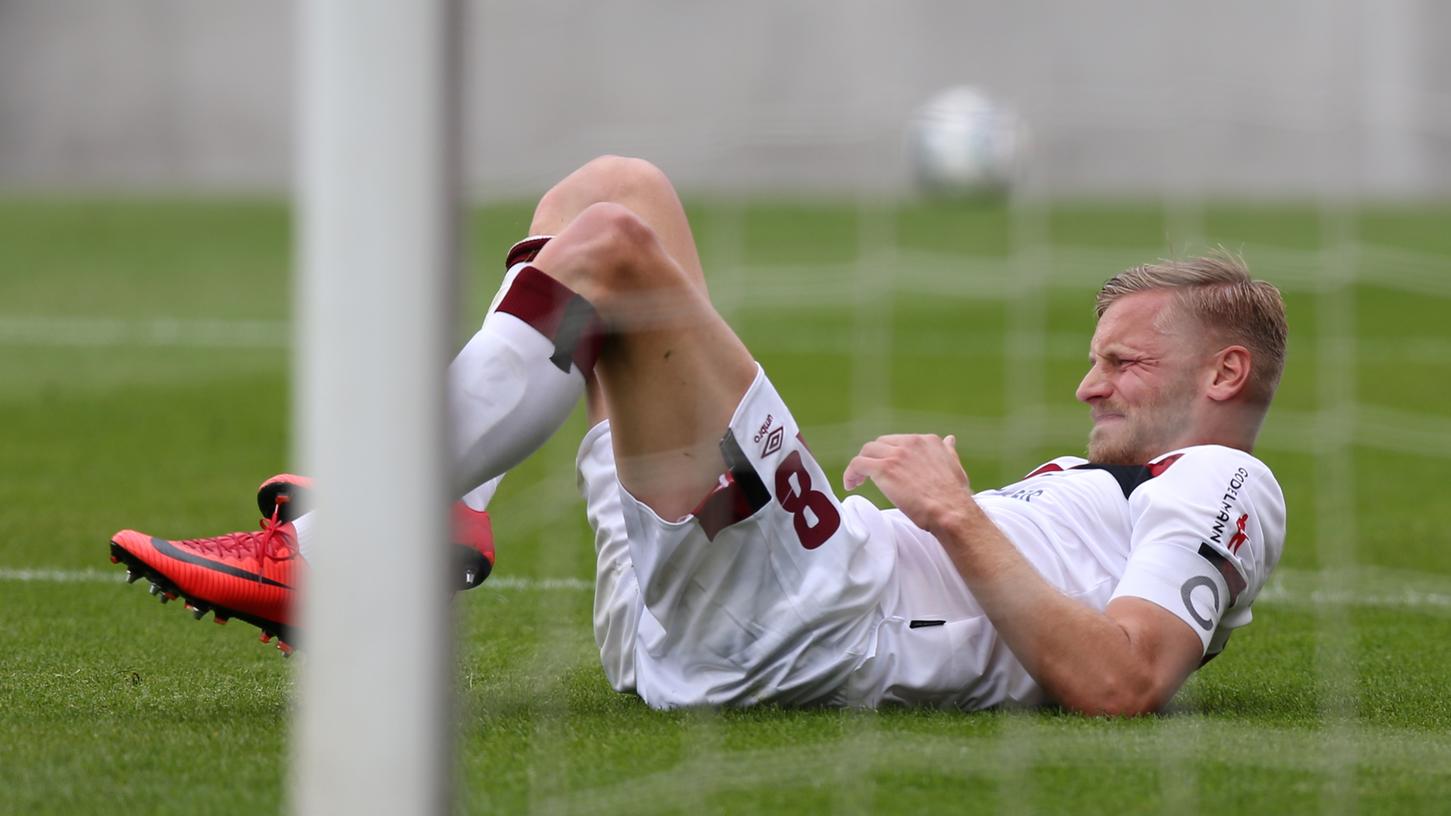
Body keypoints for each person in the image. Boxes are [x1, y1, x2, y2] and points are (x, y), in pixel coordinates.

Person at [110, 156, 1287, 714]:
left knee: (618, 246)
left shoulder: (1226, 478)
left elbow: (1122, 681)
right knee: (610, 193)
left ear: (1225, 371)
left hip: (798, 615)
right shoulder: (1118, 480)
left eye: (1120, 360)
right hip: (715, 601)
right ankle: (433, 506)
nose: (1087, 387)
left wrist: (950, 512)